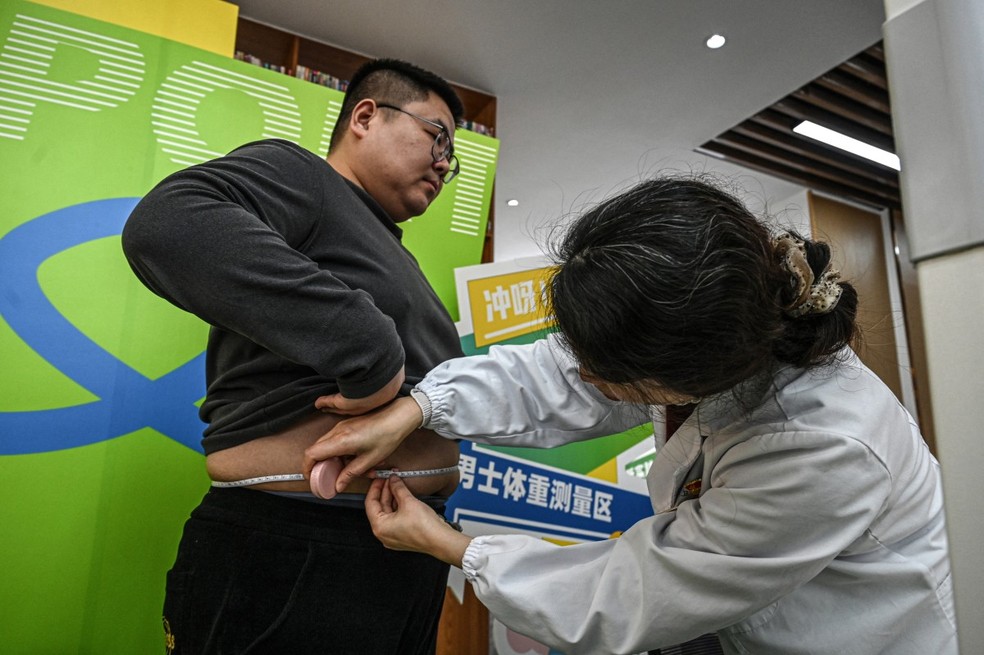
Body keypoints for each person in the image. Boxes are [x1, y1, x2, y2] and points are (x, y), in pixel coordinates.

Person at [303, 176, 958, 655]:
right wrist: (420, 405)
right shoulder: (710, 342)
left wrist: (450, 546)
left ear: (683, 376)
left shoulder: (821, 445)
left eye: (604, 369)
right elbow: (554, 374)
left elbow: (635, 591)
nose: (582, 374)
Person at [122, 58, 467, 654]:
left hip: (401, 551)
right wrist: (369, 348)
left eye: (452, 156)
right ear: (366, 116)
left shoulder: (389, 249)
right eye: (437, 136)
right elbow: (167, 224)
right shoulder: (305, 177)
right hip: (298, 549)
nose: (444, 163)